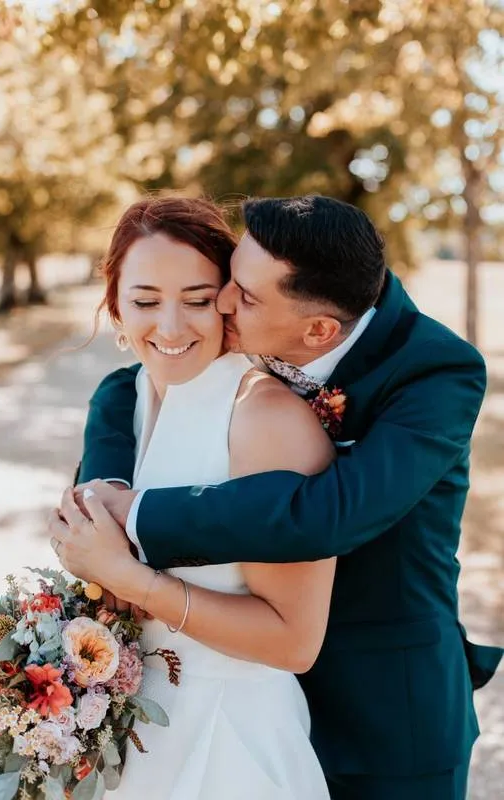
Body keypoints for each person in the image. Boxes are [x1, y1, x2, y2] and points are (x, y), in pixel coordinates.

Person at [59, 194, 503, 800]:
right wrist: (105, 488)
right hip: (215, 701)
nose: (220, 303)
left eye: (238, 295)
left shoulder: (432, 374)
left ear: (319, 330)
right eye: (229, 279)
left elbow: (326, 513)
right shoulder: (141, 389)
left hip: (384, 712)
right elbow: (130, 395)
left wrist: (134, 522)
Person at [50, 196, 335, 799]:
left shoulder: (265, 421)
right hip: (132, 740)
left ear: (230, 300)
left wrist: (131, 582)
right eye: (147, 301)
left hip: (230, 742)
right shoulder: (127, 397)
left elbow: (295, 641)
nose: (172, 326)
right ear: (115, 307)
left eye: (198, 300)